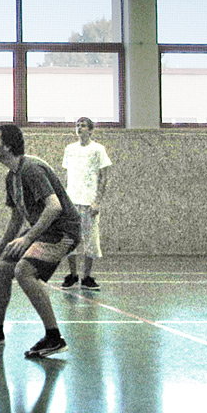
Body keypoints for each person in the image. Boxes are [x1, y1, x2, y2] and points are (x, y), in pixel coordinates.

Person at [0, 124, 81, 359]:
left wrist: (27, 238)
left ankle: (54, 337)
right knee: (3, 268)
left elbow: (54, 207)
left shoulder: (31, 169)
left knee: (24, 270)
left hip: (63, 231)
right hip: (43, 230)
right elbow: (16, 218)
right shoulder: (12, 177)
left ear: (8, 146)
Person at [60, 117, 112, 291]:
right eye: (77, 125)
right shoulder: (70, 149)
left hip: (89, 202)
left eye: (83, 126)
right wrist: (64, 199)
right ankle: (72, 275)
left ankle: (87, 277)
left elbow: (104, 177)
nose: (79, 128)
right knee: (69, 239)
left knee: (90, 240)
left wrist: (97, 201)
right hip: (71, 201)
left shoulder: (98, 149)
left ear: (90, 130)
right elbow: (67, 175)